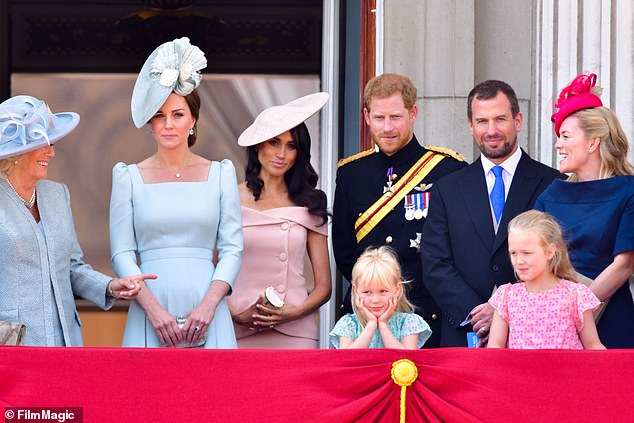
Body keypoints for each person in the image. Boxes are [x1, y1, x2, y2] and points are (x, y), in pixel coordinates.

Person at [109, 37, 242, 348]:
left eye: (177, 114)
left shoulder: (221, 174)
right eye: (159, 115)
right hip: (149, 306)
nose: (168, 124)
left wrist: (210, 304)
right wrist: (153, 311)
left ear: (192, 120)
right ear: (150, 123)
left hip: (209, 307)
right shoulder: (127, 177)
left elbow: (232, 249)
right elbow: (122, 254)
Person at [0, 95, 152, 347]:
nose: (52, 152)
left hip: (64, 341)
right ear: (17, 152)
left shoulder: (58, 195)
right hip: (12, 344)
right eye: (44, 143)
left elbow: (71, 267)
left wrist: (110, 286)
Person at [421, 80, 562, 347]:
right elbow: (435, 264)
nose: (492, 130)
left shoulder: (552, 183)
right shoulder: (447, 189)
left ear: (517, 121)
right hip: (465, 333)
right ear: (470, 125)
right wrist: (477, 311)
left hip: (535, 333)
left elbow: (559, 259)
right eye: (482, 121)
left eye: (500, 119)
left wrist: (504, 310)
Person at [332, 73, 467, 348]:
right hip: (365, 316)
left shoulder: (447, 170)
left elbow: (457, 249)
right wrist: (375, 296)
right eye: (379, 118)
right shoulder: (351, 174)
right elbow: (345, 252)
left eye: (396, 117)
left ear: (413, 113)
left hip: (424, 313)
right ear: (367, 117)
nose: (387, 127)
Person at [534, 72, 634, 348]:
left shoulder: (629, 190)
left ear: (593, 142)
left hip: (611, 320)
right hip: (554, 321)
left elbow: (624, 264)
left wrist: (578, 313)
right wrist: (562, 315)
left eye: (565, 136)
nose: (557, 144)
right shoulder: (550, 195)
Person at [226, 93, 332, 348]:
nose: (282, 153)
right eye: (274, 142)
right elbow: (210, 270)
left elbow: (324, 285)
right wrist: (233, 314)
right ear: (258, 145)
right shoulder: (227, 197)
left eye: (291, 145)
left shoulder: (310, 202)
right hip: (236, 329)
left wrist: (295, 312)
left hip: (295, 333)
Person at [487, 210, 605, 349]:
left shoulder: (575, 295)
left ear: (550, 252)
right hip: (520, 371)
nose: (519, 261)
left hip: (566, 371)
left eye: (526, 253)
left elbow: (593, 345)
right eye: (513, 253)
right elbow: (495, 347)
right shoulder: (506, 296)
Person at [329, 246, 431, 349]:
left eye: (383, 291)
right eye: (367, 292)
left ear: (397, 290)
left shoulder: (408, 323)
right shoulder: (348, 324)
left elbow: (407, 358)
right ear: (355, 291)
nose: (375, 300)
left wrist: (383, 325)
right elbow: (347, 359)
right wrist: (371, 325)